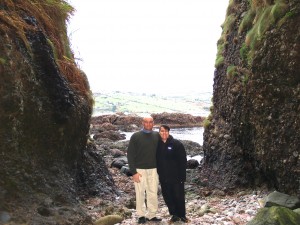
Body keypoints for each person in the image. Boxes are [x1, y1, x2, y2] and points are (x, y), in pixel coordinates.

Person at [127, 116, 162, 224]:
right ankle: (141, 215)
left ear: (153, 123)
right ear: (142, 123)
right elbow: (130, 155)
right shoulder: (135, 136)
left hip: (154, 169)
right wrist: (134, 172)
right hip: (139, 170)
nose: (148, 124)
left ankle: (152, 215)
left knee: (153, 192)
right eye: (146, 122)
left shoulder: (157, 135)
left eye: (150, 122)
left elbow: (163, 152)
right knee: (140, 193)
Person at [156, 124, 189, 223]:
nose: (164, 133)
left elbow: (183, 161)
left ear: (169, 132)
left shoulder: (176, 144)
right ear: (159, 132)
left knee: (178, 196)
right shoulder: (157, 145)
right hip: (163, 176)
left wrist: (182, 177)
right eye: (162, 131)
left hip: (176, 177)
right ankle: (174, 215)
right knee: (168, 196)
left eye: (166, 131)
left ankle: (182, 215)